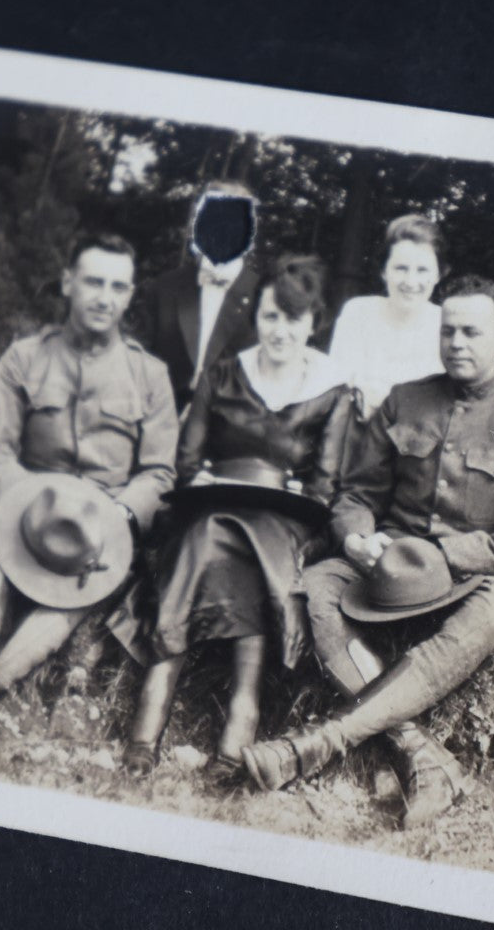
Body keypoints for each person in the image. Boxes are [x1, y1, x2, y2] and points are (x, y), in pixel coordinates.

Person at [240, 275, 494, 829]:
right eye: (449, 331)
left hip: (476, 575)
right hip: (386, 567)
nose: (457, 342)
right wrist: (357, 536)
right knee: (315, 588)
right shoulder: (405, 400)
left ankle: (317, 744)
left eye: (472, 332)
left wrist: (447, 555)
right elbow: (357, 494)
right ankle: (422, 755)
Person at [0, 233, 179, 749]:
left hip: (97, 535)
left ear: (131, 294)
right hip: (25, 514)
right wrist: (30, 502)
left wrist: (118, 513)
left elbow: (159, 475)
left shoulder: (150, 375)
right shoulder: (25, 358)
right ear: (68, 283)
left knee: (77, 594)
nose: (104, 296)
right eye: (93, 281)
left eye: (118, 286)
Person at [110, 256, 352, 779]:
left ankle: (235, 713)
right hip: (213, 507)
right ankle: (161, 723)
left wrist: (287, 492)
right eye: (269, 318)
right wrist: (202, 481)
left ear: (313, 323)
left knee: (254, 545)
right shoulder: (224, 372)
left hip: (289, 520)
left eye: (292, 320)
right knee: (206, 536)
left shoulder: (332, 390)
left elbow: (323, 486)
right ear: (257, 317)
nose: (279, 331)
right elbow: (188, 460)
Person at [328, 213, 494, 419]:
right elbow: (334, 384)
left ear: (438, 274)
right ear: (384, 271)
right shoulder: (359, 313)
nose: (410, 281)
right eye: (401, 268)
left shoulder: (448, 323)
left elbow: (478, 380)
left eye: (422, 270)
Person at [131, 181, 263, 411]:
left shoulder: (264, 295)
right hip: (160, 412)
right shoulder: (164, 287)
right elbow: (139, 361)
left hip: (229, 425)